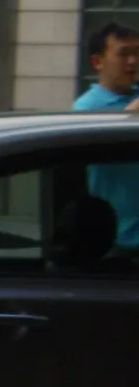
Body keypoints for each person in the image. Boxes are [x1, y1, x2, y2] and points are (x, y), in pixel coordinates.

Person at [73, 22, 139, 253]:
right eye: (123, 54)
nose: (132, 62)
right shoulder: (87, 108)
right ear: (98, 62)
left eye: (136, 53)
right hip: (120, 242)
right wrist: (130, 116)